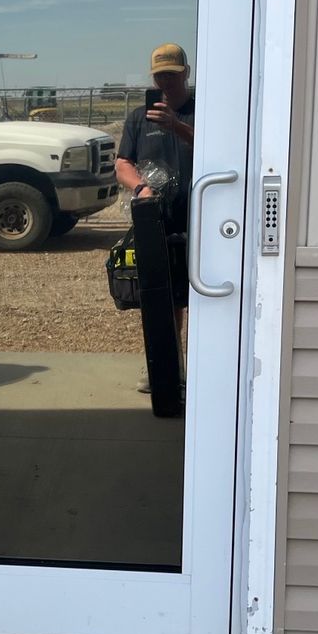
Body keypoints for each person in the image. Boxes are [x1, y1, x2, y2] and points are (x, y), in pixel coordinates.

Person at [114, 43, 195, 392]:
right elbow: (122, 163)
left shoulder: (202, 110)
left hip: (200, 217)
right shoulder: (139, 118)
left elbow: (219, 150)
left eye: (172, 75)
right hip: (156, 220)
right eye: (160, 76)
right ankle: (166, 367)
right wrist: (141, 188)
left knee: (203, 297)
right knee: (163, 297)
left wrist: (177, 126)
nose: (166, 82)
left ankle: (204, 368)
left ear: (185, 73)